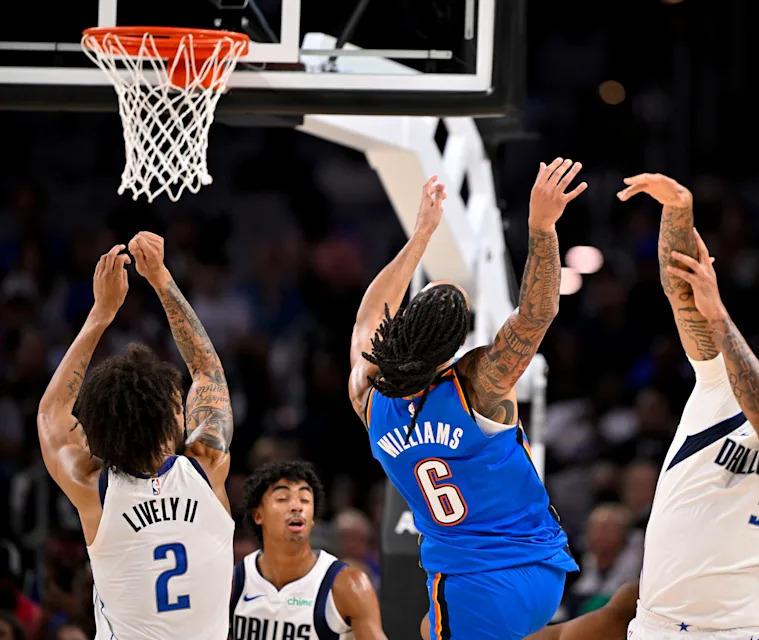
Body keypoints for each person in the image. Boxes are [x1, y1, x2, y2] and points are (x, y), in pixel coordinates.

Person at [347, 161, 587, 640]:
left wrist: (420, 238)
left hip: (477, 584)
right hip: (538, 565)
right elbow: (538, 313)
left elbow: (368, 315)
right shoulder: (478, 382)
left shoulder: (367, 397)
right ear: (455, 349)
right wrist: (541, 228)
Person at [615, 173, 759, 639]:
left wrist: (719, 311)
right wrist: (679, 210)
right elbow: (683, 294)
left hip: (744, 631)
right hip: (657, 627)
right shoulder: (719, 387)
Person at [36, 233, 235, 640]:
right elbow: (207, 372)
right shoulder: (207, 467)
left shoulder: (95, 489)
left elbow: (51, 413)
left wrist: (101, 314)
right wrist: (162, 278)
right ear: (174, 418)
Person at [230, 461, 386, 640]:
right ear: (258, 515)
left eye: (305, 500)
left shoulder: (348, 585)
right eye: (283, 498)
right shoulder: (233, 583)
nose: (297, 507)